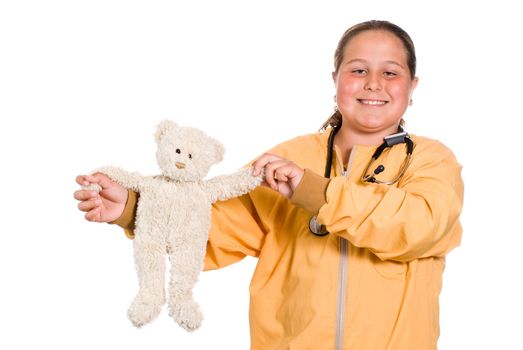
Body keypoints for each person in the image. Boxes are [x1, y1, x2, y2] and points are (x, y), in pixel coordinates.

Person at [74, 20, 464, 350]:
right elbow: (208, 229)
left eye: (391, 72)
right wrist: (132, 208)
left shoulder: (431, 160)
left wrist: (317, 192)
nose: (373, 84)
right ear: (336, 80)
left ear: (412, 86)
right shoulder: (289, 158)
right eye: (358, 70)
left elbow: (419, 226)